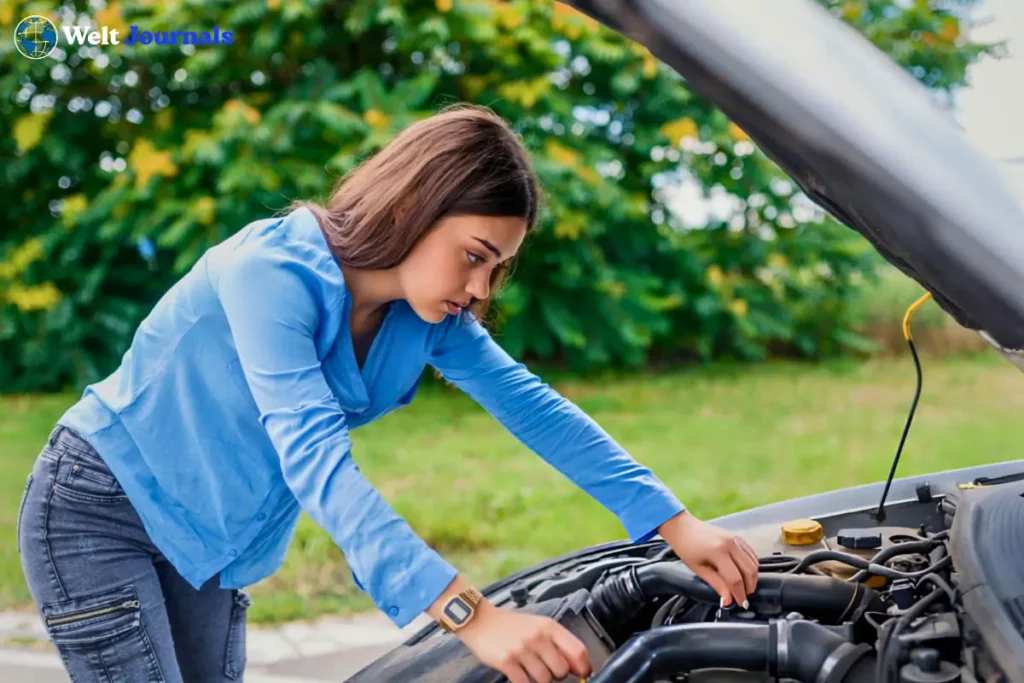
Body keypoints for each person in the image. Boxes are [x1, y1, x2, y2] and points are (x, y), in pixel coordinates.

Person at [17, 104, 759, 683]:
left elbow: (536, 410)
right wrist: (473, 615)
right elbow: (318, 463)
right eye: (474, 256)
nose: (479, 289)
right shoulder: (268, 274)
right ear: (411, 207)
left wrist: (675, 522)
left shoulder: (428, 316)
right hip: (99, 513)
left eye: (496, 269)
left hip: (210, 543)